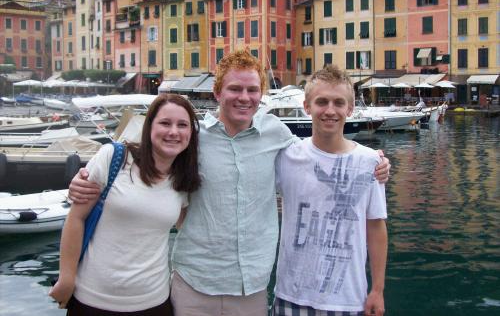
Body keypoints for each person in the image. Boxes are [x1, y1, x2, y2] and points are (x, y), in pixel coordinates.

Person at [68, 50, 390, 316]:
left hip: (249, 288)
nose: (244, 97)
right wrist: (86, 179)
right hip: (193, 282)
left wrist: (371, 162)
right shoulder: (191, 137)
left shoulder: (277, 135)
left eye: (252, 90)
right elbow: (144, 161)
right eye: (235, 89)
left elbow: (321, 155)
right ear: (217, 93)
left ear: (261, 95)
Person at [49, 94, 201, 315]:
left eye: (182, 125)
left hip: (154, 302)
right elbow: (76, 218)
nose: (173, 132)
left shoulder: (183, 180)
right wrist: (66, 278)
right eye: (165, 123)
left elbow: (188, 228)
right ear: (150, 127)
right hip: (92, 300)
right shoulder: (114, 158)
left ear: (190, 134)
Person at [273, 66, 387, 316]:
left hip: (348, 301)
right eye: (321, 102)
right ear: (307, 106)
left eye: (339, 102)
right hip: (291, 297)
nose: (330, 110)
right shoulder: (286, 156)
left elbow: (376, 227)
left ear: (350, 108)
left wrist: (377, 290)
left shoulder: (370, 162)